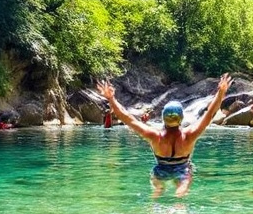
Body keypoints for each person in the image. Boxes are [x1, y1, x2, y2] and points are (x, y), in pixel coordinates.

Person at [96, 74, 232, 198]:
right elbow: (210, 113)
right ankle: (179, 208)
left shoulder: (154, 136)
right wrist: (221, 92)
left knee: (157, 191)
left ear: (163, 118)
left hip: (160, 170)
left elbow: (127, 118)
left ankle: (154, 206)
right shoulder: (190, 134)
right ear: (181, 118)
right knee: (181, 192)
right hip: (183, 169)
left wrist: (111, 98)